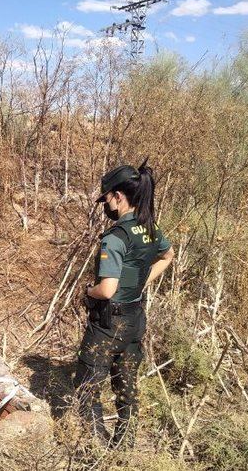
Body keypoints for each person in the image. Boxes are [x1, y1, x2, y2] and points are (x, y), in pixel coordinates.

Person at [73, 160, 175, 448]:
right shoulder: (151, 229)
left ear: (118, 196)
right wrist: (142, 282)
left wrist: (88, 291)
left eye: (106, 198)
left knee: (87, 386)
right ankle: (124, 448)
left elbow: (106, 290)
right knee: (126, 387)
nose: (105, 204)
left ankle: (95, 450)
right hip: (135, 320)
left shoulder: (116, 237)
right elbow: (167, 256)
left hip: (109, 323)